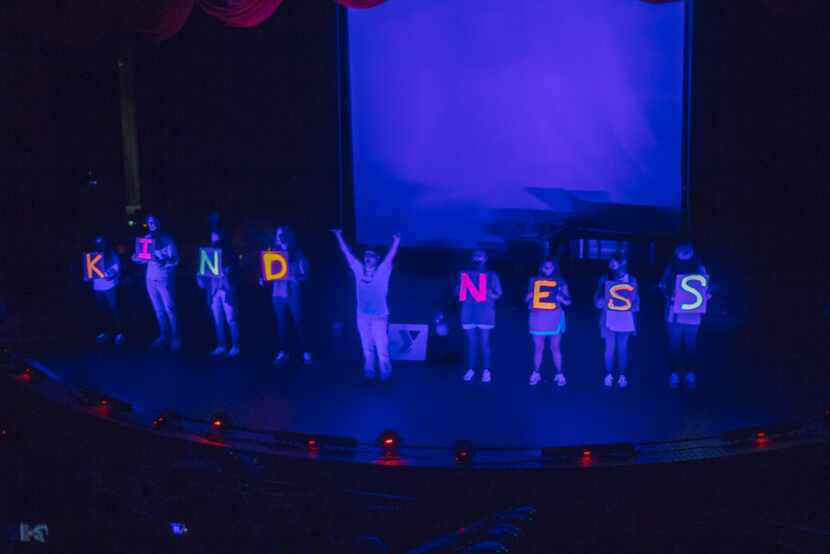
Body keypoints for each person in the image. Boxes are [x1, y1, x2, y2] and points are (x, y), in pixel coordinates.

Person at [332, 229, 400, 382]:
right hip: (362, 316)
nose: (367, 258)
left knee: (382, 350)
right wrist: (338, 236)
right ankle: (369, 374)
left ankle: (386, 376)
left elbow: (390, 257)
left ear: (377, 258)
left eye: (371, 256)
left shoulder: (382, 271)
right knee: (367, 348)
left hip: (379, 317)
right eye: (366, 255)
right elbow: (347, 254)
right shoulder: (358, 270)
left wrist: (396, 242)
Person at [659, 243, 711, 388]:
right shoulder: (671, 267)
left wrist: (707, 295)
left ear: (693, 251)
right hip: (674, 314)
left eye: (688, 250)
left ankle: (690, 373)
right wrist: (671, 296)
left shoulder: (699, 267)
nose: (685, 253)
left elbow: (705, 286)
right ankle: (674, 373)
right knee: (674, 345)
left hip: (693, 315)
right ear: (676, 252)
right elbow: (662, 286)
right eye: (682, 250)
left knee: (691, 345)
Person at [131, 214, 181, 350]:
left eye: (154, 222)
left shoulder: (167, 238)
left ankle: (176, 337)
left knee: (170, 308)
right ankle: (164, 335)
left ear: (159, 223)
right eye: (150, 222)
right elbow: (141, 259)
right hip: (150, 278)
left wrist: (162, 261)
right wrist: (135, 257)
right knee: (158, 309)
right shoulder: (146, 239)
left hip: (164, 278)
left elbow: (176, 260)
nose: (152, 224)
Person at [265, 226, 312, 366]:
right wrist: (264, 278)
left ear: (289, 235)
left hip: (293, 293)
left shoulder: (298, 253)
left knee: (299, 323)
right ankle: (282, 352)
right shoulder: (273, 252)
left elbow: (306, 274)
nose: (280, 237)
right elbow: (269, 273)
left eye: (283, 234)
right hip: (278, 294)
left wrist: (298, 278)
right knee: (281, 324)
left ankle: (306, 351)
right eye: (278, 234)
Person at [593, 253, 640, 388]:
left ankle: (622, 375)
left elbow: (636, 300)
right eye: (610, 264)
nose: (612, 266)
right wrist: (600, 301)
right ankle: (608, 374)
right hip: (608, 319)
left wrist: (634, 304)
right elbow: (596, 301)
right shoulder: (604, 278)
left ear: (623, 263)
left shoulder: (631, 279)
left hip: (625, 319)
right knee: (609, 348)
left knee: (623, 348)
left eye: (614, 263)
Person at [526, 259, 571, 386]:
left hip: (554, 317)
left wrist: (561, 297)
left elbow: (568, 301)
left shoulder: (560, 281)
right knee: (538, 348)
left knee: (555, 347)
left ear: (554, 268)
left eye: (550, 267)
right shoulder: (534, 280)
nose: (547, 269)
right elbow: (525, 299)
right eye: (545, 267)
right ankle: (536, 373)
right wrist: (531, 294)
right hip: (537, 317)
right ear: (541, 268)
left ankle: (559, 374)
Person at [459, 250, 502, 383]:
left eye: (481, 255)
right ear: (472, 258)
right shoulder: (464, 274)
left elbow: (498, 294)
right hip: (468, 312)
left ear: (486, 258)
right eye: (476, 255)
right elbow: (458, 294)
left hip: (486, 313)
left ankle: (486, 370)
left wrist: (490, 293)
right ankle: (471, 369)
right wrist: (461, 288)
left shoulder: (492, 275)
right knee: (471, 344)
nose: (478, 258)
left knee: (484, 343)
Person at [196, 230, 240, 357]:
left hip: (227, 290)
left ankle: (236, 346)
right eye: (213, 240)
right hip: (214, 291)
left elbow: (236, 273)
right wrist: (199, 274)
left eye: (218, 240)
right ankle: (221, 346)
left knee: (231, 319)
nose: (215, 243)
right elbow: (202, 281)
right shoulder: (208, 255)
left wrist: (228, 271)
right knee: (217, 320)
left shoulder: (230, 255)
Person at [89, 235, 125, 345]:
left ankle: (120, 333)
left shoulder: (112, 254)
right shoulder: (92, 255)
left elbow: (117, 268)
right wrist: (88, 276)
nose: (100, 244)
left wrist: (111, 274)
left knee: (114, 309)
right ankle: (105, 332)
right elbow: (89, 270)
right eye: (97, 242)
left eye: (102, 242)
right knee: (102, 310)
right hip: (97, 287)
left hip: (110, 286)